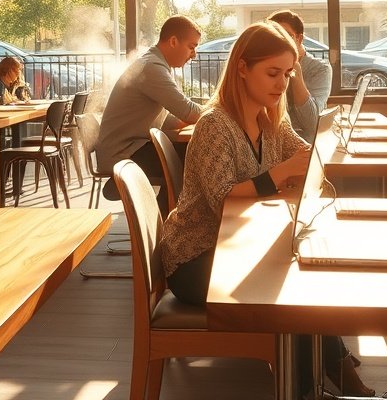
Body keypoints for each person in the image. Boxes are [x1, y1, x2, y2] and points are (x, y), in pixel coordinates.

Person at [158, 21, 373, 397]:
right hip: (196, 257)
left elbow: (304, 156)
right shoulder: (214, 125)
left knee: (304, 285)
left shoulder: (271, 119)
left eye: (288, 74)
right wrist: (281, 173)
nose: (281, 84)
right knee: (295, 293)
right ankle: (328, 387)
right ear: (242, 67)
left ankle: (329, 385)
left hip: (235, 248)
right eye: (272, 73)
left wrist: (307, 164)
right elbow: (222, 198)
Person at [95, 16, 204, 208]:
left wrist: (189, 119)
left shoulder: (154, 63)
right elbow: (188, 111)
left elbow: (169, 119)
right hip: (123, 153)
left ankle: (165, 218)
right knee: (195, 158)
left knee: (192, 154)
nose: (193, 54)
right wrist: (224, 111)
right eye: (191, 47)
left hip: (131, 147)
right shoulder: (152, 67)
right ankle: (168, 220)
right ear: (173, 41)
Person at [268, 9, 332, 142]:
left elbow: (312, 125)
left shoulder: (320, 69)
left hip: (305, 144)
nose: (279, 43)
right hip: (272, 141)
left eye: (286, 36)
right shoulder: (264, 69)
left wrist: (295, 72)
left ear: (299, 38)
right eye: (273, 37)